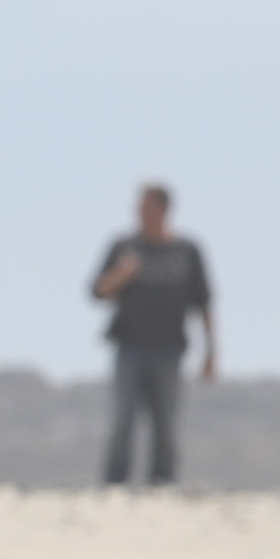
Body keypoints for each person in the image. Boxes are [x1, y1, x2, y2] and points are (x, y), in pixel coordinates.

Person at [91, 183, 216, 486]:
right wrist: (121, 275)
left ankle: (162, 484)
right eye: (139, 208)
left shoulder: (186, 251)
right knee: (123, 421)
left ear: (163, 210)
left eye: (146, 208)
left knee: (166, 425)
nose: (140, 214)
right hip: (130, 350)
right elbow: (97, 292)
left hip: (170, 352)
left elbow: (204, 303)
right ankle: (114, 484)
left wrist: (211, 352)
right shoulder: (124, 248)